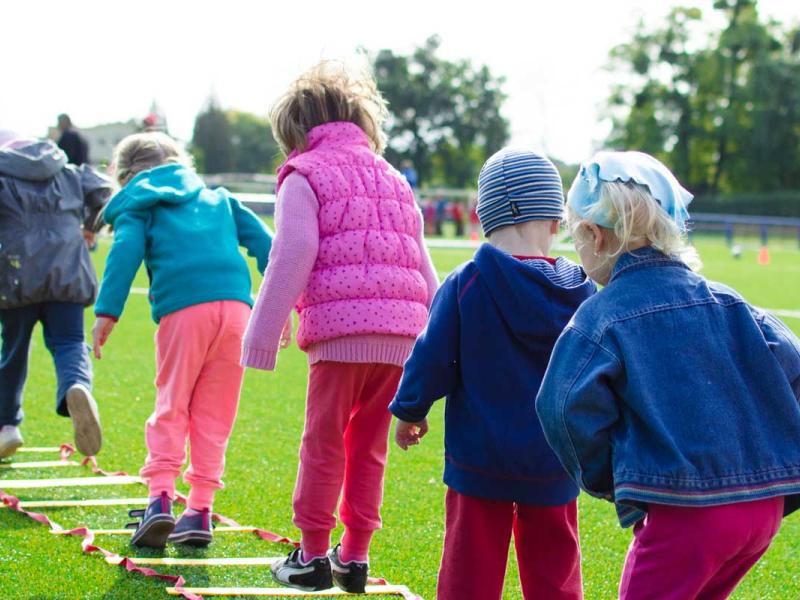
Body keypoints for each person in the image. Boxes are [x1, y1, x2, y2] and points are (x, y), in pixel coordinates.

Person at [536, 151, 800, 600]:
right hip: (763, 508)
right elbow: (792, 363)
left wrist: (610, 479)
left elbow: (560, 407)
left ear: (595, 236)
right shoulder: (730, 301)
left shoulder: (601, 317)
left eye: (574, 238)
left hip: (686, 513)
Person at [241, 60, 438, 593]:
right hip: (402, 338)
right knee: (368, 447)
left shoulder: (304, 174)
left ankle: (309, 556)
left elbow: (294, 251)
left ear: (296, 131)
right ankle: (353, 557)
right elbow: (423, 265)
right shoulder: (394, 177)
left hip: (340, 334)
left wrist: (263, 331)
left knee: (323, 443)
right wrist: (439, 346)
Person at [389, 148, 594, 600]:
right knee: (555, 570)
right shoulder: (583, 292)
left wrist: (410, 409)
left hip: (479, 458)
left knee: (470, 570)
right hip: (555, 459)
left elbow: (431, 356)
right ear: (556, 222)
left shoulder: (467, 282)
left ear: (482, 215)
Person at [91, 132, 273, 548]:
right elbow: (269, 246)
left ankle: (159, 500)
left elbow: (125, 251)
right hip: (237, 312)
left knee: (172, 403)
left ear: (125, 175)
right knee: (216, 413)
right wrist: (282, 305)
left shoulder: (140, 203)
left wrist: (107, 312)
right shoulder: (220, 198)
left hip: (184, 310)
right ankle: (200, 511)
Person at [0, 130, 110, 459]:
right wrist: (90, 225)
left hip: (18, 273)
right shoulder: (69, 171)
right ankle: (76, 387)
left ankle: (6, 426)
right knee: (70, 342)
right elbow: (105, 193)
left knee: (14, 350)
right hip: (69, 270)